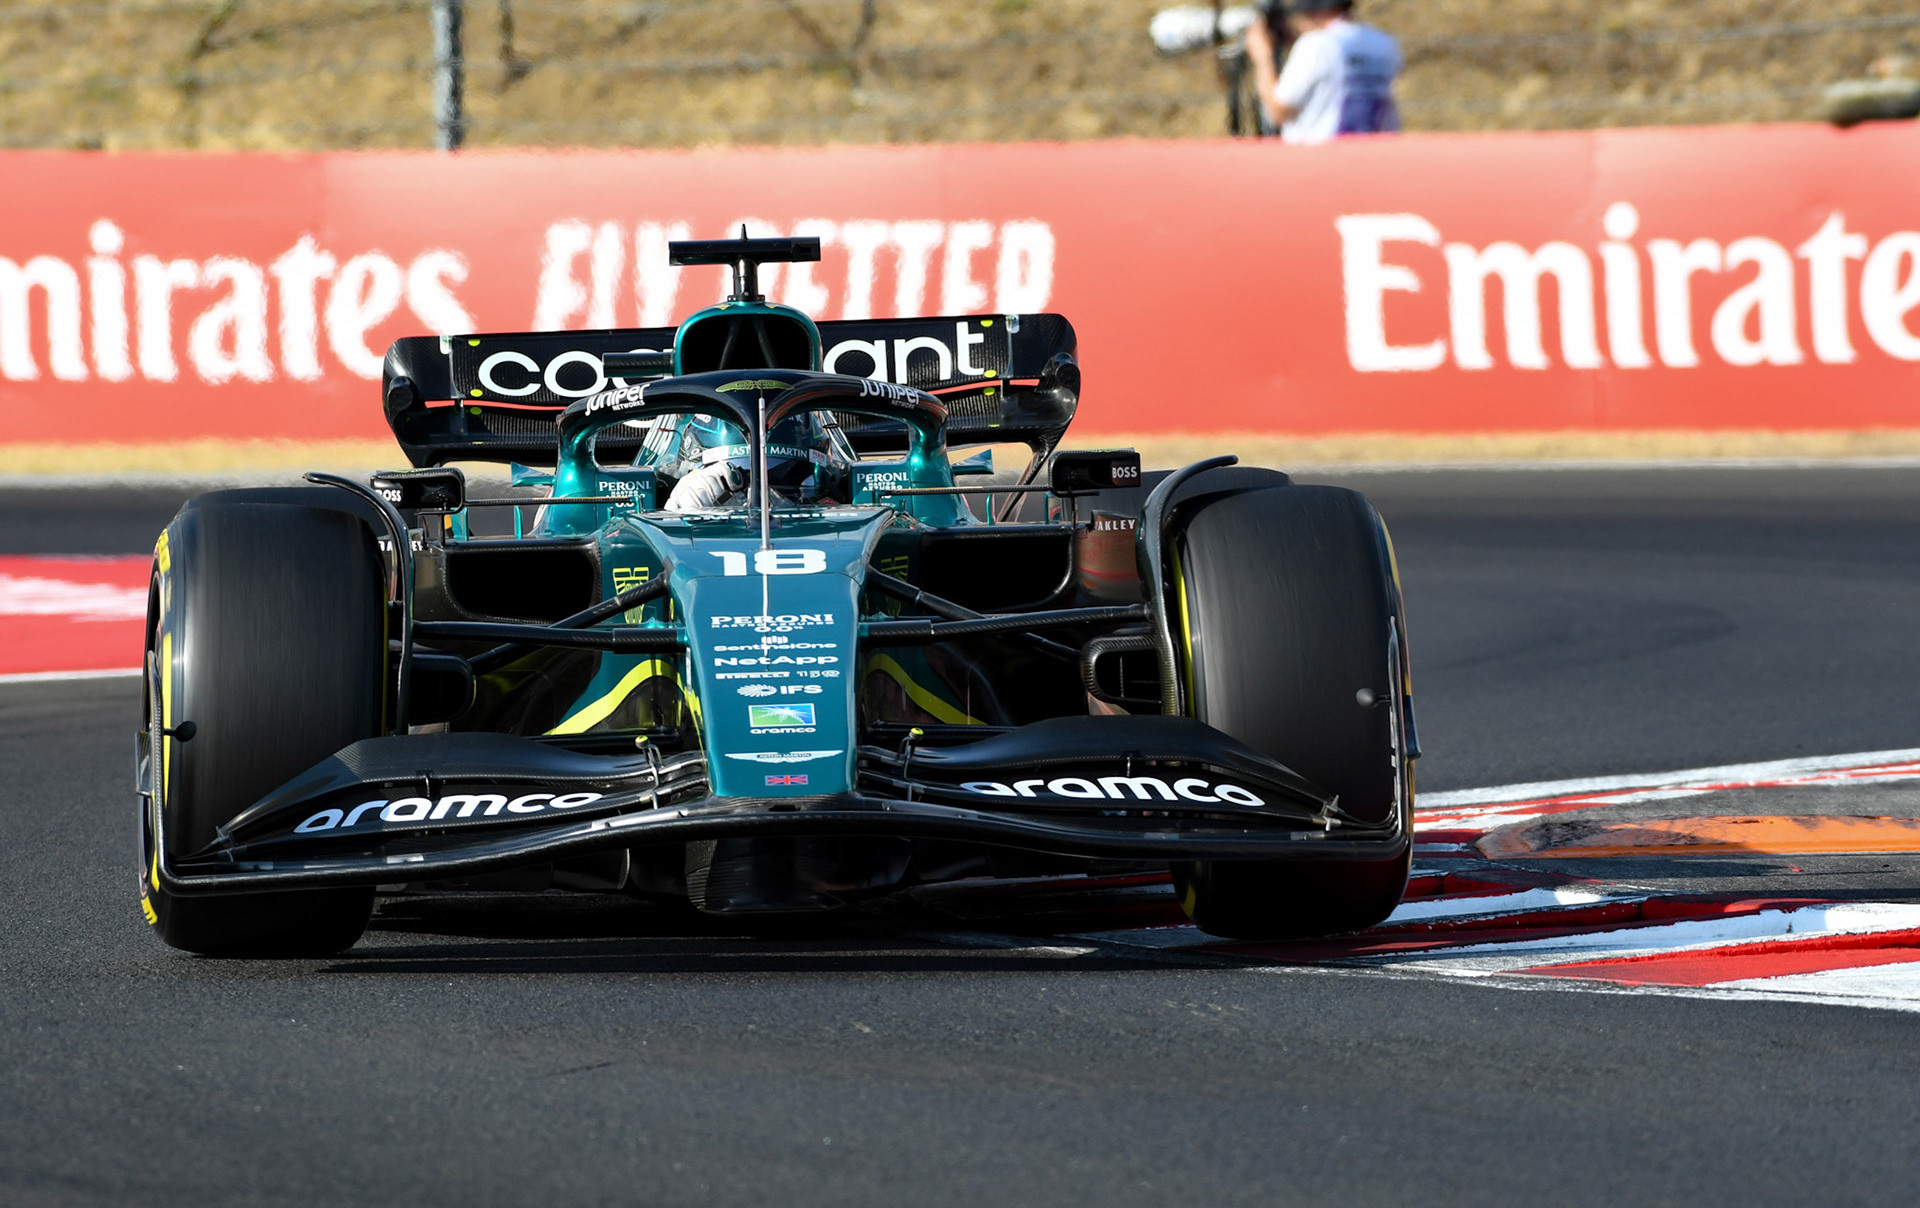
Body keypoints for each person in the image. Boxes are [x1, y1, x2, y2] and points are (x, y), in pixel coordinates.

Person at [1245, 0, 1402, 144]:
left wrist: (1262, 55)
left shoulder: (1316, 45)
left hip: (1320, 157)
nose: (1298, 22)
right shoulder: (1385, 43)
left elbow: (1278, 112)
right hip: (1373, 152)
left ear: (1316, 12)